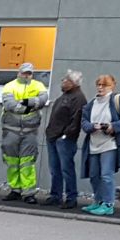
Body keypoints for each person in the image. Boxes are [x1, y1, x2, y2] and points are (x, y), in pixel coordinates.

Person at [80, 74, 120, 217]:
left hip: (110, 144)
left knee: (106, 175)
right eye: (98, 84)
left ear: (112, 86)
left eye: (104, 85)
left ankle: (108, 204)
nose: (100, 87)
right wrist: (93, 126)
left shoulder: (118, 99)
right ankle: (98, 201)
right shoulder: (92, 102)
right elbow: (84, 121)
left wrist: (113, 126)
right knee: (94, 175)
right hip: (93, 143)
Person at [0, 62, 49, 203]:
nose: (27, 75)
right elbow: (10, 105)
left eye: (29, 73)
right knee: (12, 161)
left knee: (28, 162)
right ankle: (15, 189)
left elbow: (43, 100)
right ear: (18, 73)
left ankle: (28, 193)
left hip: (30, 131)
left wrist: (24, 102)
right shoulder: (9, 86)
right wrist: (32, 106)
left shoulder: (38, 85)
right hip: (11, 130)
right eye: (24, 73)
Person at [42, 70, 87, 208]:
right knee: (55, 168)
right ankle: (55, 195)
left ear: (73, 83)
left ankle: (71, 197)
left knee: (66, 169)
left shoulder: (78, 98)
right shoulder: (65, 96)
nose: (62, 82)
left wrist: (65, 136)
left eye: (65, 80)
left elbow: (76, 121)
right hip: (53, 136)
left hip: (64, 140)